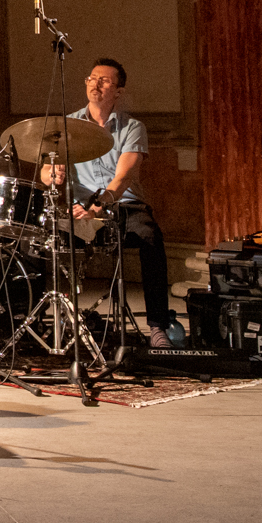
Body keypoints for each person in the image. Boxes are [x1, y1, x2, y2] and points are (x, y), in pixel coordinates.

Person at [42, 57, 175, 348]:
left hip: (124, 205)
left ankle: (157, 327)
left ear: (119, 91)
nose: (96, 84)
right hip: (79, 207)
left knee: (151, 237)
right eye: (91, 79)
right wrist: (52, 174)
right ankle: (36, 320)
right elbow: (44, 170)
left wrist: (97, 208)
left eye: (104, 80)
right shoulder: (67, 126)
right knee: (37, 236)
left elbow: (124, 178)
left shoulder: (132, 128)